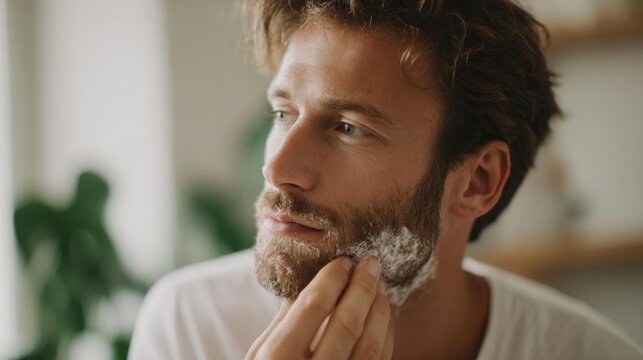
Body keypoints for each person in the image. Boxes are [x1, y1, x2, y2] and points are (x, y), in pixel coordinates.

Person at [129, 1, 643, 359]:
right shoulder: (189, 326)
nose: (277, 168)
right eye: (283, 113)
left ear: (477, 182)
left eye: (349, 127)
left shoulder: (587, 354)